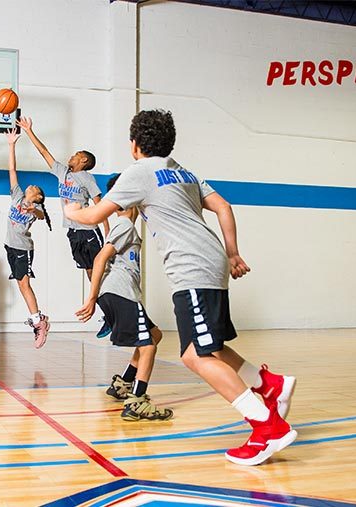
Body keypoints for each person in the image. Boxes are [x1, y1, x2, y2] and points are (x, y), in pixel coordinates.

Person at [64, 109, 296, 466]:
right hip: (212, 261)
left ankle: (268, 427)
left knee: (195, 356)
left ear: (135, 145)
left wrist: (69, 211)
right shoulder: (183, 171)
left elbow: (94, 217)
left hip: (192, 268)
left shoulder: (139, 172)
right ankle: (269, 383)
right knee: (208, 347)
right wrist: (233, 253)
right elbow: (223, 206)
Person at [76, 174, 172, 421]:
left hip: (120, 293)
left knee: (155, 335)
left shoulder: (127, 225)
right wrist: (91, 298)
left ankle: (123, 384)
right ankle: (137, 402)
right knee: (148, 346)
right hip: (120, 292)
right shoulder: (124, 225)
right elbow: (100, 258)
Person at [17, 117, 111, 337]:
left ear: (84, 160)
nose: (72, 156)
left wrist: (107, 232)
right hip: (73, 233)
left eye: (76, 154)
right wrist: (29, 130)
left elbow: (101, 205)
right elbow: (44, 152)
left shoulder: (86, 178)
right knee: (90, 275)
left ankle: (111, 313)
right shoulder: (63, 172)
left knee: (99, 274)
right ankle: (108, 314)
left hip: (89, 232)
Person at [4, 129, 52, 348]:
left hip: (23, 249)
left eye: (34, 188)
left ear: (38, 196)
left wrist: (34, 211)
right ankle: (37, 319)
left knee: (24, 285)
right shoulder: (17, 196)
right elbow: (12, 169)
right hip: (10, 247)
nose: (30, 186)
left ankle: (38, 320)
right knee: (21, 285)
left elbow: (41, 216)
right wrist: (11, 144)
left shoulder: (37, 205)